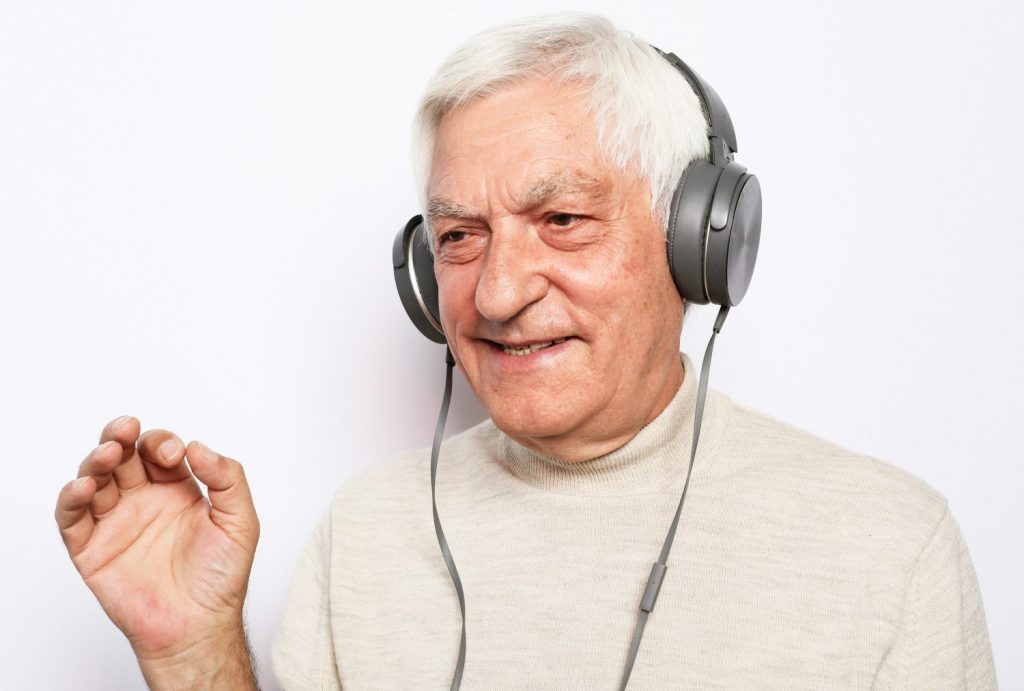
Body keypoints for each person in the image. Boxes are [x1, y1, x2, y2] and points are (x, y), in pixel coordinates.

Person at [55, 12, 997, 690]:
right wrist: (192, 656)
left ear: (697, 240)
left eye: (563, 219)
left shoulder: (886, 548)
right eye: (460, 235)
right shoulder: (367, 533)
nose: (499, 293)